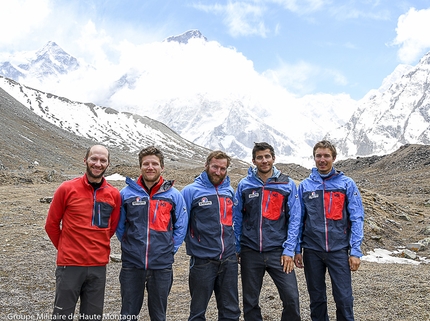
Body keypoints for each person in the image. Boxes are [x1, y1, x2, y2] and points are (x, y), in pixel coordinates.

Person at [45, 144, 121, 320]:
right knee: (62, 315)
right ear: (85, 160)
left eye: (103, 160)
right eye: (94, 158)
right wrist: (66, 248)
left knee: (93, 317)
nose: (98, 163)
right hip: (70, 265)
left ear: (108, 164)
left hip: (98, 266)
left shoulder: (113, 194)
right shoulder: (66, 188)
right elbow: (51, 224)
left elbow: (111, 228)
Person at [294, 140, 364, 321]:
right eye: (319, 156)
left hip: (338, 250)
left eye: (326, 156)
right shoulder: (305, 186)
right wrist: (297, 249)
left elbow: (357, 218)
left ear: (334, 158)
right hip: (312, 250)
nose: (322, 159)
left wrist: (355, 251)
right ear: (314, 157)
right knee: (316, 299)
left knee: (344, 298)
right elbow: (299, 220)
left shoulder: (347, 184)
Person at [116, 146, 188, 321]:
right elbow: (119, 226)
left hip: (162, 265)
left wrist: (171, 248)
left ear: (162, 167)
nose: (150, 167)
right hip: (132, 265)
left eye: (154, 163)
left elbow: (181, 224)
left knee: (158, 315)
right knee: (128, 314)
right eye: (146, 163)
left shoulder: (174, 195)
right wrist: (129, 245)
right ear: (140, 166)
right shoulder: (126, 194)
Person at [233, 142, 301, 321]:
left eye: (267, 157)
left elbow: (295, 219)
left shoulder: (287, 183)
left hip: (279, 251)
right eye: (260, 157)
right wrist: (238, 247)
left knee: (291, 298)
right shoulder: (244, 185)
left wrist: (289, 250)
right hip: (250, 251)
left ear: (273, 158)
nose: (264, 161)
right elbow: (237, 218)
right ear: (254, 160)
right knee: (250, 301)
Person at [181, 151, 241, 321]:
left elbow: (233, 220)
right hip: (202, 260)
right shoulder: (190, 191)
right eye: (215, 166)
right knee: (198, 311)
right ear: (206, 165)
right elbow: (181, 223)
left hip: (228, 259)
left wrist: (236, 247)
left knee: (231, 310)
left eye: (223, 168)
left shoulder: (229, 190)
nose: (218, 171)